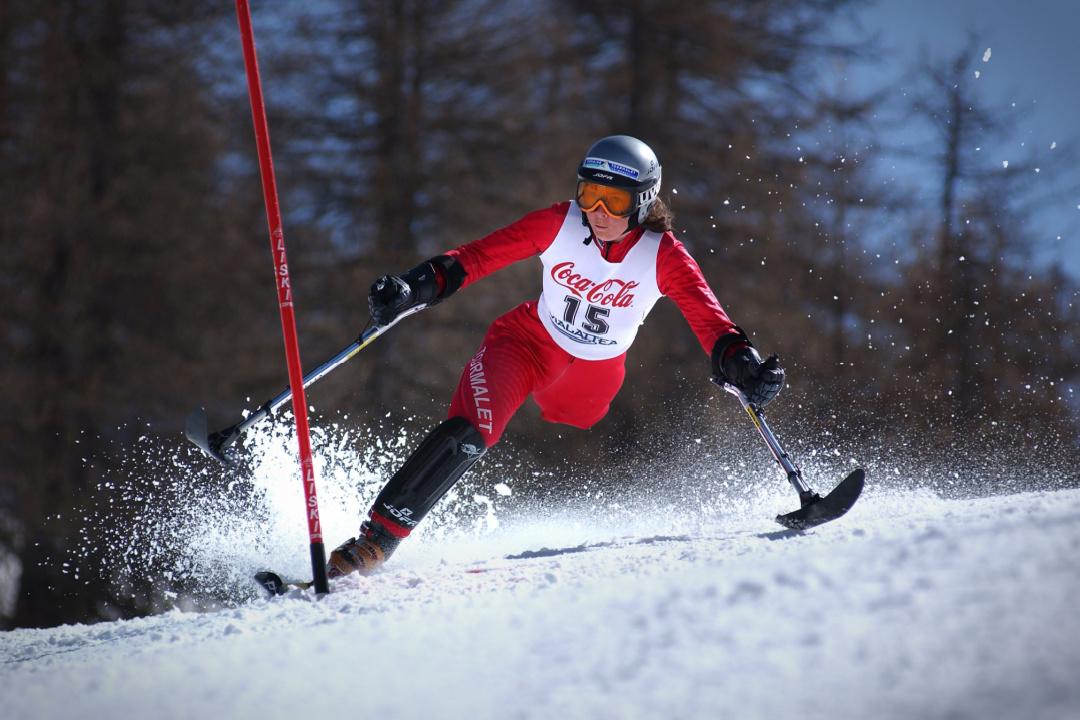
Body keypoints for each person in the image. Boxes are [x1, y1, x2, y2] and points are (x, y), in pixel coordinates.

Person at [326, 135, 785, 579]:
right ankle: (375, 541)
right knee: (473, 430)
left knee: (576, 414)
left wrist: (742, 364)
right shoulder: (559, 223)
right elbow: (475, 257)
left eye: (615, 202)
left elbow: (711, 322)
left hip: (593, 377)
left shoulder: (663, 256)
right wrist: (412, 286)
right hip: (526, 343)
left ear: (643, 202)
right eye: (589, 195)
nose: (598, 213)